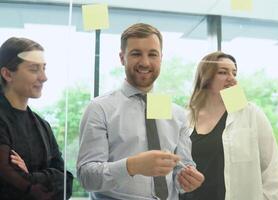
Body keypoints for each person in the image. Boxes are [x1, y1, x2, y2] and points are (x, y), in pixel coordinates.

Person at [76, 23, 204, 200]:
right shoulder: (100, 108)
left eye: (152, 54)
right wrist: (131, 166)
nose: (145, 62)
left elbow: (182, 168)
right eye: (136, 54)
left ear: (161, 58)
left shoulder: (176, 113)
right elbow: (86, 178)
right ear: (122, 58)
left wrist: (187, 179)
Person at [180, 51, 278, 200]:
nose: (232, 79)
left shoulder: (250, 113)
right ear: (206, 78)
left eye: (234, 73)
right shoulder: (186, 117)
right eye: (223, 72)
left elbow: (272, 167)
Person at [0, 37, 73, 200]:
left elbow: (67, 183)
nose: (44, 77)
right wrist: (48, 177)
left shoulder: (42, 125)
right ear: (7, 74)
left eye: (44, 68)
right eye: (34, 69)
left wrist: (31, 177)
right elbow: (8, 184)